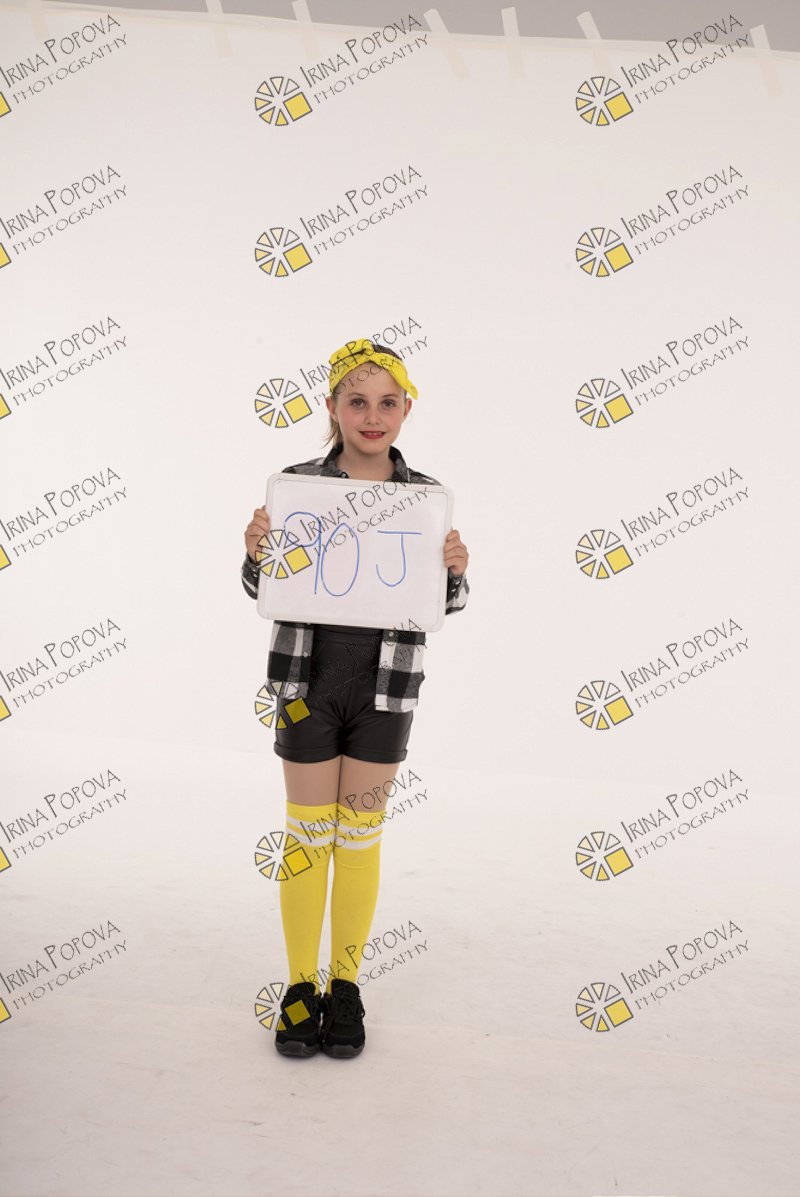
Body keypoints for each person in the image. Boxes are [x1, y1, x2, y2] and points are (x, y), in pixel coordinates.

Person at [241, 337, 470, 1059]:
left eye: (387, 402)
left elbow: (442, 604)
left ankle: (345, 985)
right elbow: (262, 589)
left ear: (406, 409)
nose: (373, 416)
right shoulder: (297, 488)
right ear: (333, 407)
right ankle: (299, 986)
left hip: (386, 691)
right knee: (308, 836)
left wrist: (454, 571)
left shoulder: (425, 497)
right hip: (305, 687)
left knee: (360, 837)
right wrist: (255, 553)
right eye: (358, 401)